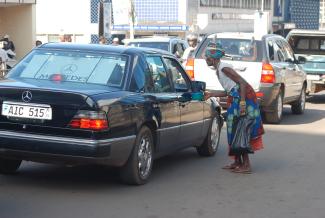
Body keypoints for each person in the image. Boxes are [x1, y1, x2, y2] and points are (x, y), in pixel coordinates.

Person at [204, 42, 264, 174]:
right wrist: (211, 94)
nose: (205, 59)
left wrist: (242, 103)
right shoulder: (219, 69)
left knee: (240, 129)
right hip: (236, 98)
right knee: (233, 129)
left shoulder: (224, 68)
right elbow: (229, 90)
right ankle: (237, 161)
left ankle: (246, 165)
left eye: (207, 57)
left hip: (243, 99)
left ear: (213, 58)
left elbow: (242, 83)